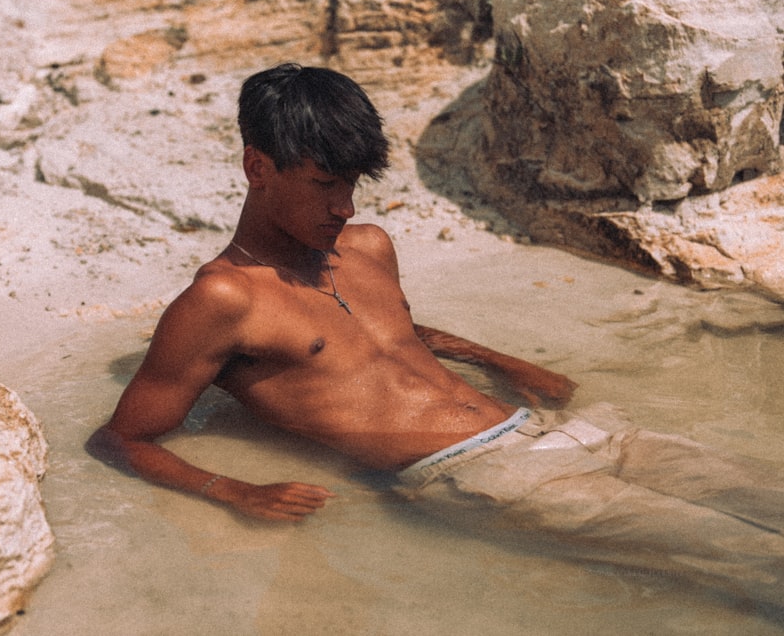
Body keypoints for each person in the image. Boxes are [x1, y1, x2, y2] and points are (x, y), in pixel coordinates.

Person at [90, 63, 784, 609]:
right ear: (256, 168)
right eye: (325, 183)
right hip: (483, 476)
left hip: (561, 428)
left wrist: (505, 361)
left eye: (355, 182)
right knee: (751, 557)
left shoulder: (366, 246)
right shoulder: (223, 298)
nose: (346, 205)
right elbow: (124, 437)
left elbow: (393, 334)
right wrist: (234, 492)